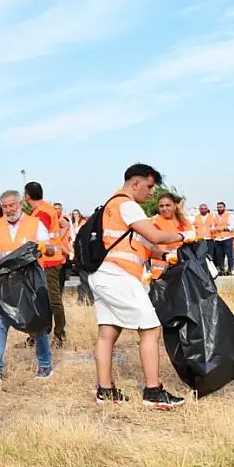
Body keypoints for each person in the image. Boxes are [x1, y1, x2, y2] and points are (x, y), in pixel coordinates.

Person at [89, 164, 186, 409]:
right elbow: (154, 235)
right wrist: (184, 236)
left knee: (108, 333)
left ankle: (105, 390)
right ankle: (153, 391)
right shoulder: (127, 205)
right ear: (136, 184)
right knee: (151, 330)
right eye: (150, 186)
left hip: (103, 275)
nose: (152, 193)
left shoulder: (110, 205)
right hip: (118, 277)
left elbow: (141, 244)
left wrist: (165, 257)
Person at [0, 189, 55, 384]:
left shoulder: (34, 223)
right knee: (1, 323)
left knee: (37, 321)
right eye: (5, 207)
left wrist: (44, 247)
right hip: (6, 282)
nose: (9, 209)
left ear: (21, 204)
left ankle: (44, 364)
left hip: (30, 280)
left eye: (12, 205)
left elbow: (52, 249)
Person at [23, 181, 69, 345]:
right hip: (52, 260)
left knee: (52, 299)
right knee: (46, 299)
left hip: (47, 261)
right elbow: (65, 225)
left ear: (27, 196)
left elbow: (37, 239)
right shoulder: (48, 208)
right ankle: (40, 335)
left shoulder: (40, 214)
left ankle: (58, 335)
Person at [149, 192, 194, 280]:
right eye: (161, 206)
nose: (164, 208)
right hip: (162, 272)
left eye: (167, 205)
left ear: (174, 206)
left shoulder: (184, 222)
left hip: (184, 270)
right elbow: (158, 247)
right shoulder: (155, 222)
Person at [70, 209, 94, 305]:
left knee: (85, 279)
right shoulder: (73, 225)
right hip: (80, 256)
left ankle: (86, 299)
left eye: (77, 214)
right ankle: (83, 299)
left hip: (83, 258)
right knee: (83, 279)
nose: (75, 215)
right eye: (74, 214)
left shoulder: (83, 227)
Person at [211, 202, 234, 275]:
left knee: (229, 255)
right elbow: (213, 226)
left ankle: (231, 269)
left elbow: (233, 226)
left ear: (224, 208)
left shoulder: (230, 216)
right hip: (218, 239)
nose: (219, 209)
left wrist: (224, 229)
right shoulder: (215, 217)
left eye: (220, 207)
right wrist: (213, 229)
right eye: (218, 207)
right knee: (219, 256)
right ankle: (221, 270)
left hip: (227, 238)